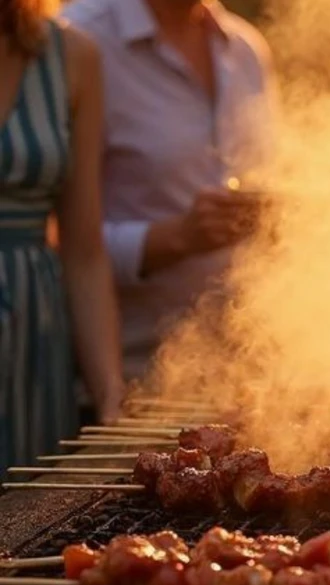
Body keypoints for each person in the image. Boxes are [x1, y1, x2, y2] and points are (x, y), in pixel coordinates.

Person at [61, 0, 275, 380]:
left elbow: (270, 174)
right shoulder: (79, 40)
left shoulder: (245, 48)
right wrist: (178, 236)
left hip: (240, 371)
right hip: (129, 371)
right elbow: (57, 243)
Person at [0, 0, 124, 469]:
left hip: (34, 339)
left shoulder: (72, 54)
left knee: (23, 527)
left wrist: (109, 389)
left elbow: (84, 251)